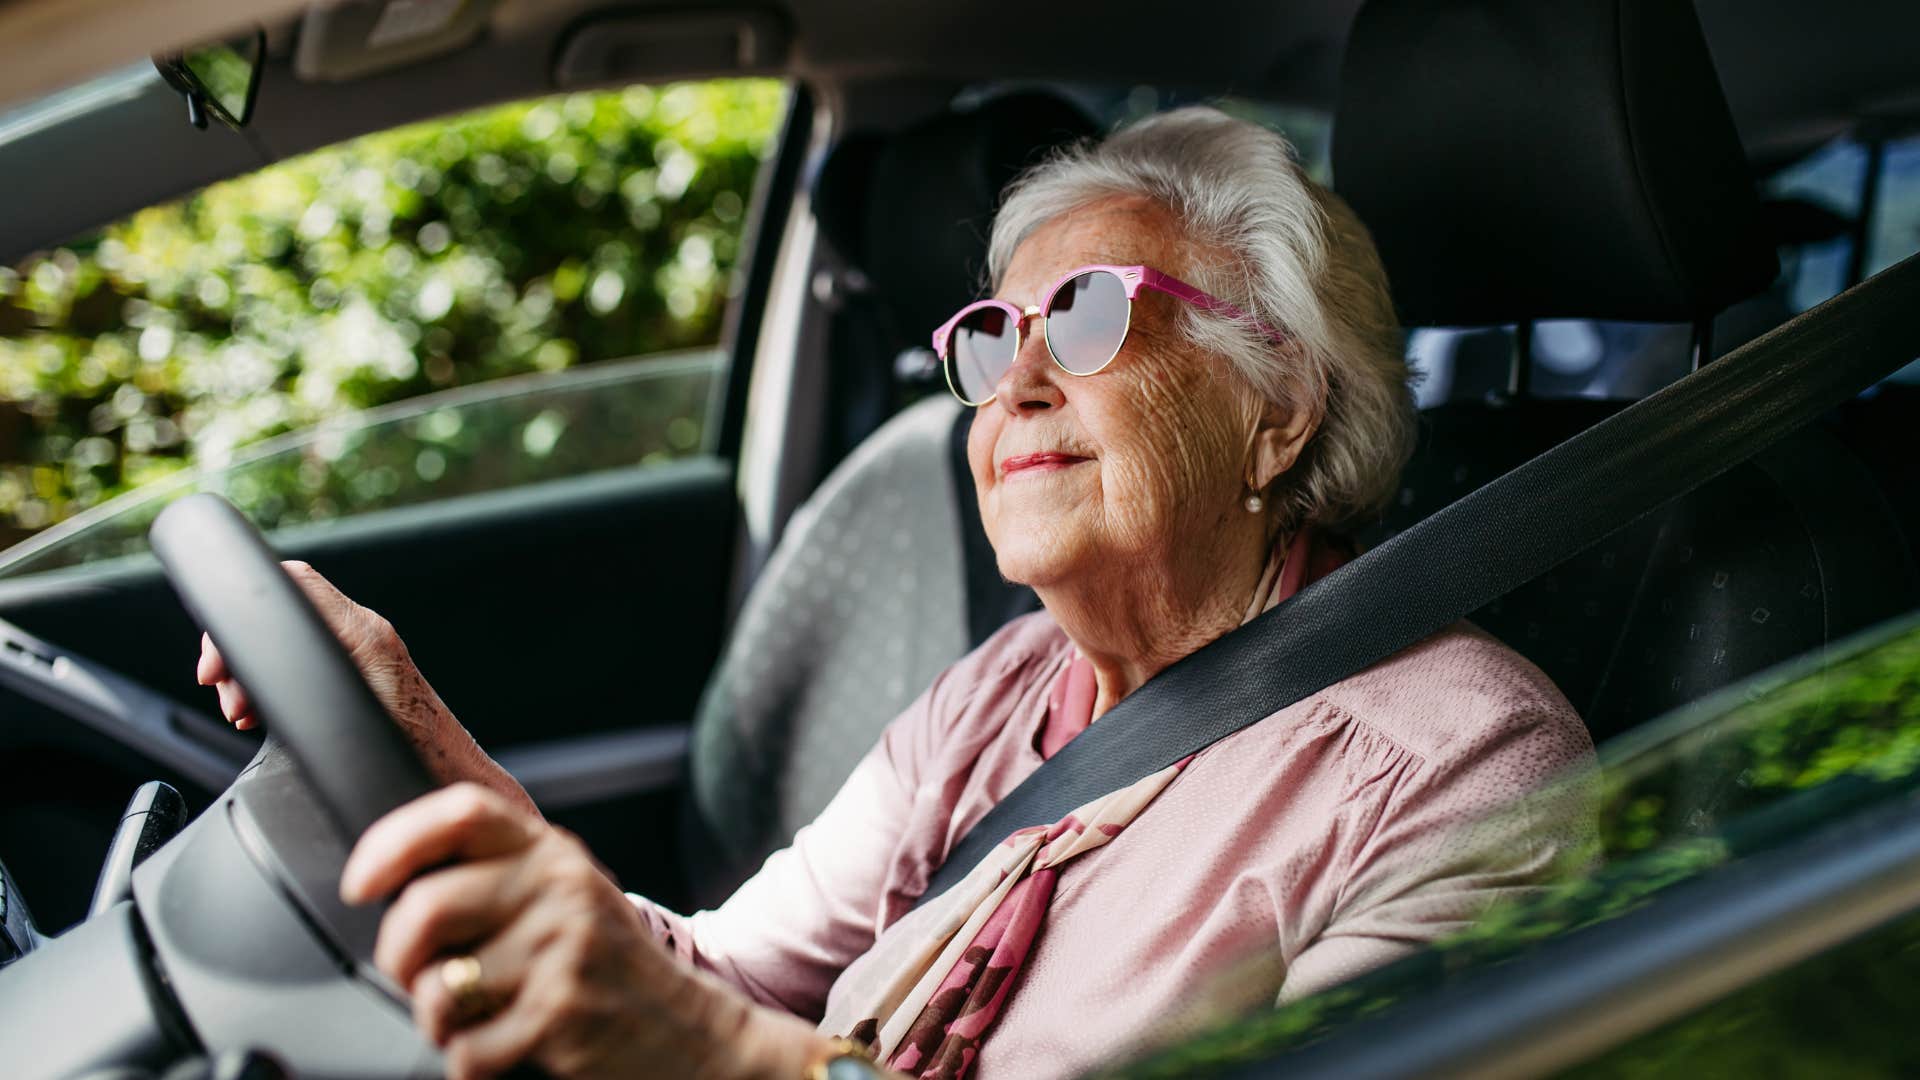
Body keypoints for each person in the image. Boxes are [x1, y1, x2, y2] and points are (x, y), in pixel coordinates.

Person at [199, 107, 1594, 1080]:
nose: (1021, 380)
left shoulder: (1455, 767)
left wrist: (721, 1060)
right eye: (991, 338)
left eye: (1095, 315)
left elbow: (712, 1038)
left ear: (1279, 406)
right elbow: (710, 980)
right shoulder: (994, 698)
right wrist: (415, 737)